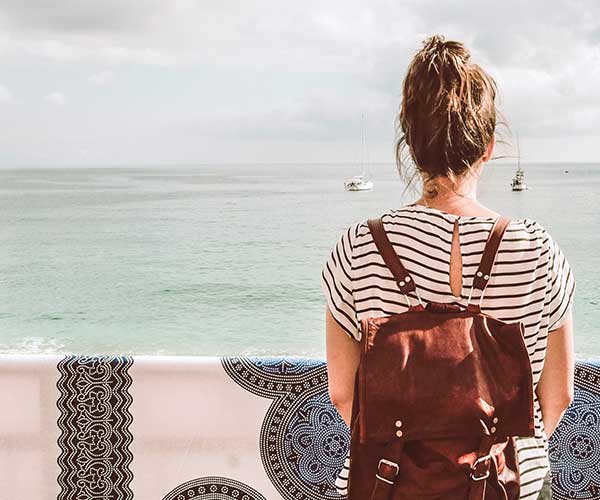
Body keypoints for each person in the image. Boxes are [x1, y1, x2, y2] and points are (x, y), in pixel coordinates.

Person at [320, 35, 575, 500]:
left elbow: (344, 395)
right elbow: (556, 396)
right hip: (508, 484)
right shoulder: (538, 249)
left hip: (386, 483)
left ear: (411, 144)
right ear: (490, 147)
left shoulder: (356, 248)